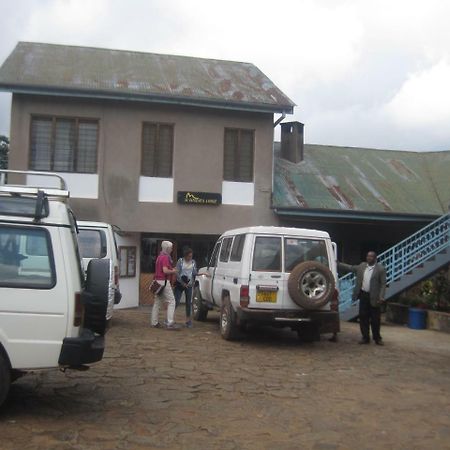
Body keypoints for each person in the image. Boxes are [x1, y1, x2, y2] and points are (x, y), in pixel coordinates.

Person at [339, 251, 387, 345]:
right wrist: (338, 264)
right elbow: (351, 268)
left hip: (374, 297)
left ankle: (377, 338)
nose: (369, 258)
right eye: (368, 256)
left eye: (371, 256)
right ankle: (365, 337)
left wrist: (381, 296)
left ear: (375, 258)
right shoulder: (362, 266)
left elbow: (383, 284)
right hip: (364, 295)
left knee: (375, 319)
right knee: (363, 317)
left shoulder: (380, 269)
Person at [151, 241, 179, 330]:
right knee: (172, 301)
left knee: (157, 302)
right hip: (164, 281)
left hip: (157, 281)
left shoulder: (159, 257)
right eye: (170, 248)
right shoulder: (166, 257)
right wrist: (174, 271)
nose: (171, 250)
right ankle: (170, 323)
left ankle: (154, 322)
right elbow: (165, 270)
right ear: (167, 248)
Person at [174, 247, 198, 328]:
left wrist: (201, 274)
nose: (190, 257)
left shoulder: (193, 262)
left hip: (189, 284)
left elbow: (194, 273)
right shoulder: (180, 261)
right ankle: (170, 318)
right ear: (185, 256)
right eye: (189, 256)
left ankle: (188, 320)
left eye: (191, 256)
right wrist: (182, 282)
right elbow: (177, 273)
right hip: (180, 284)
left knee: (188, 303)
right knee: (176, 301)